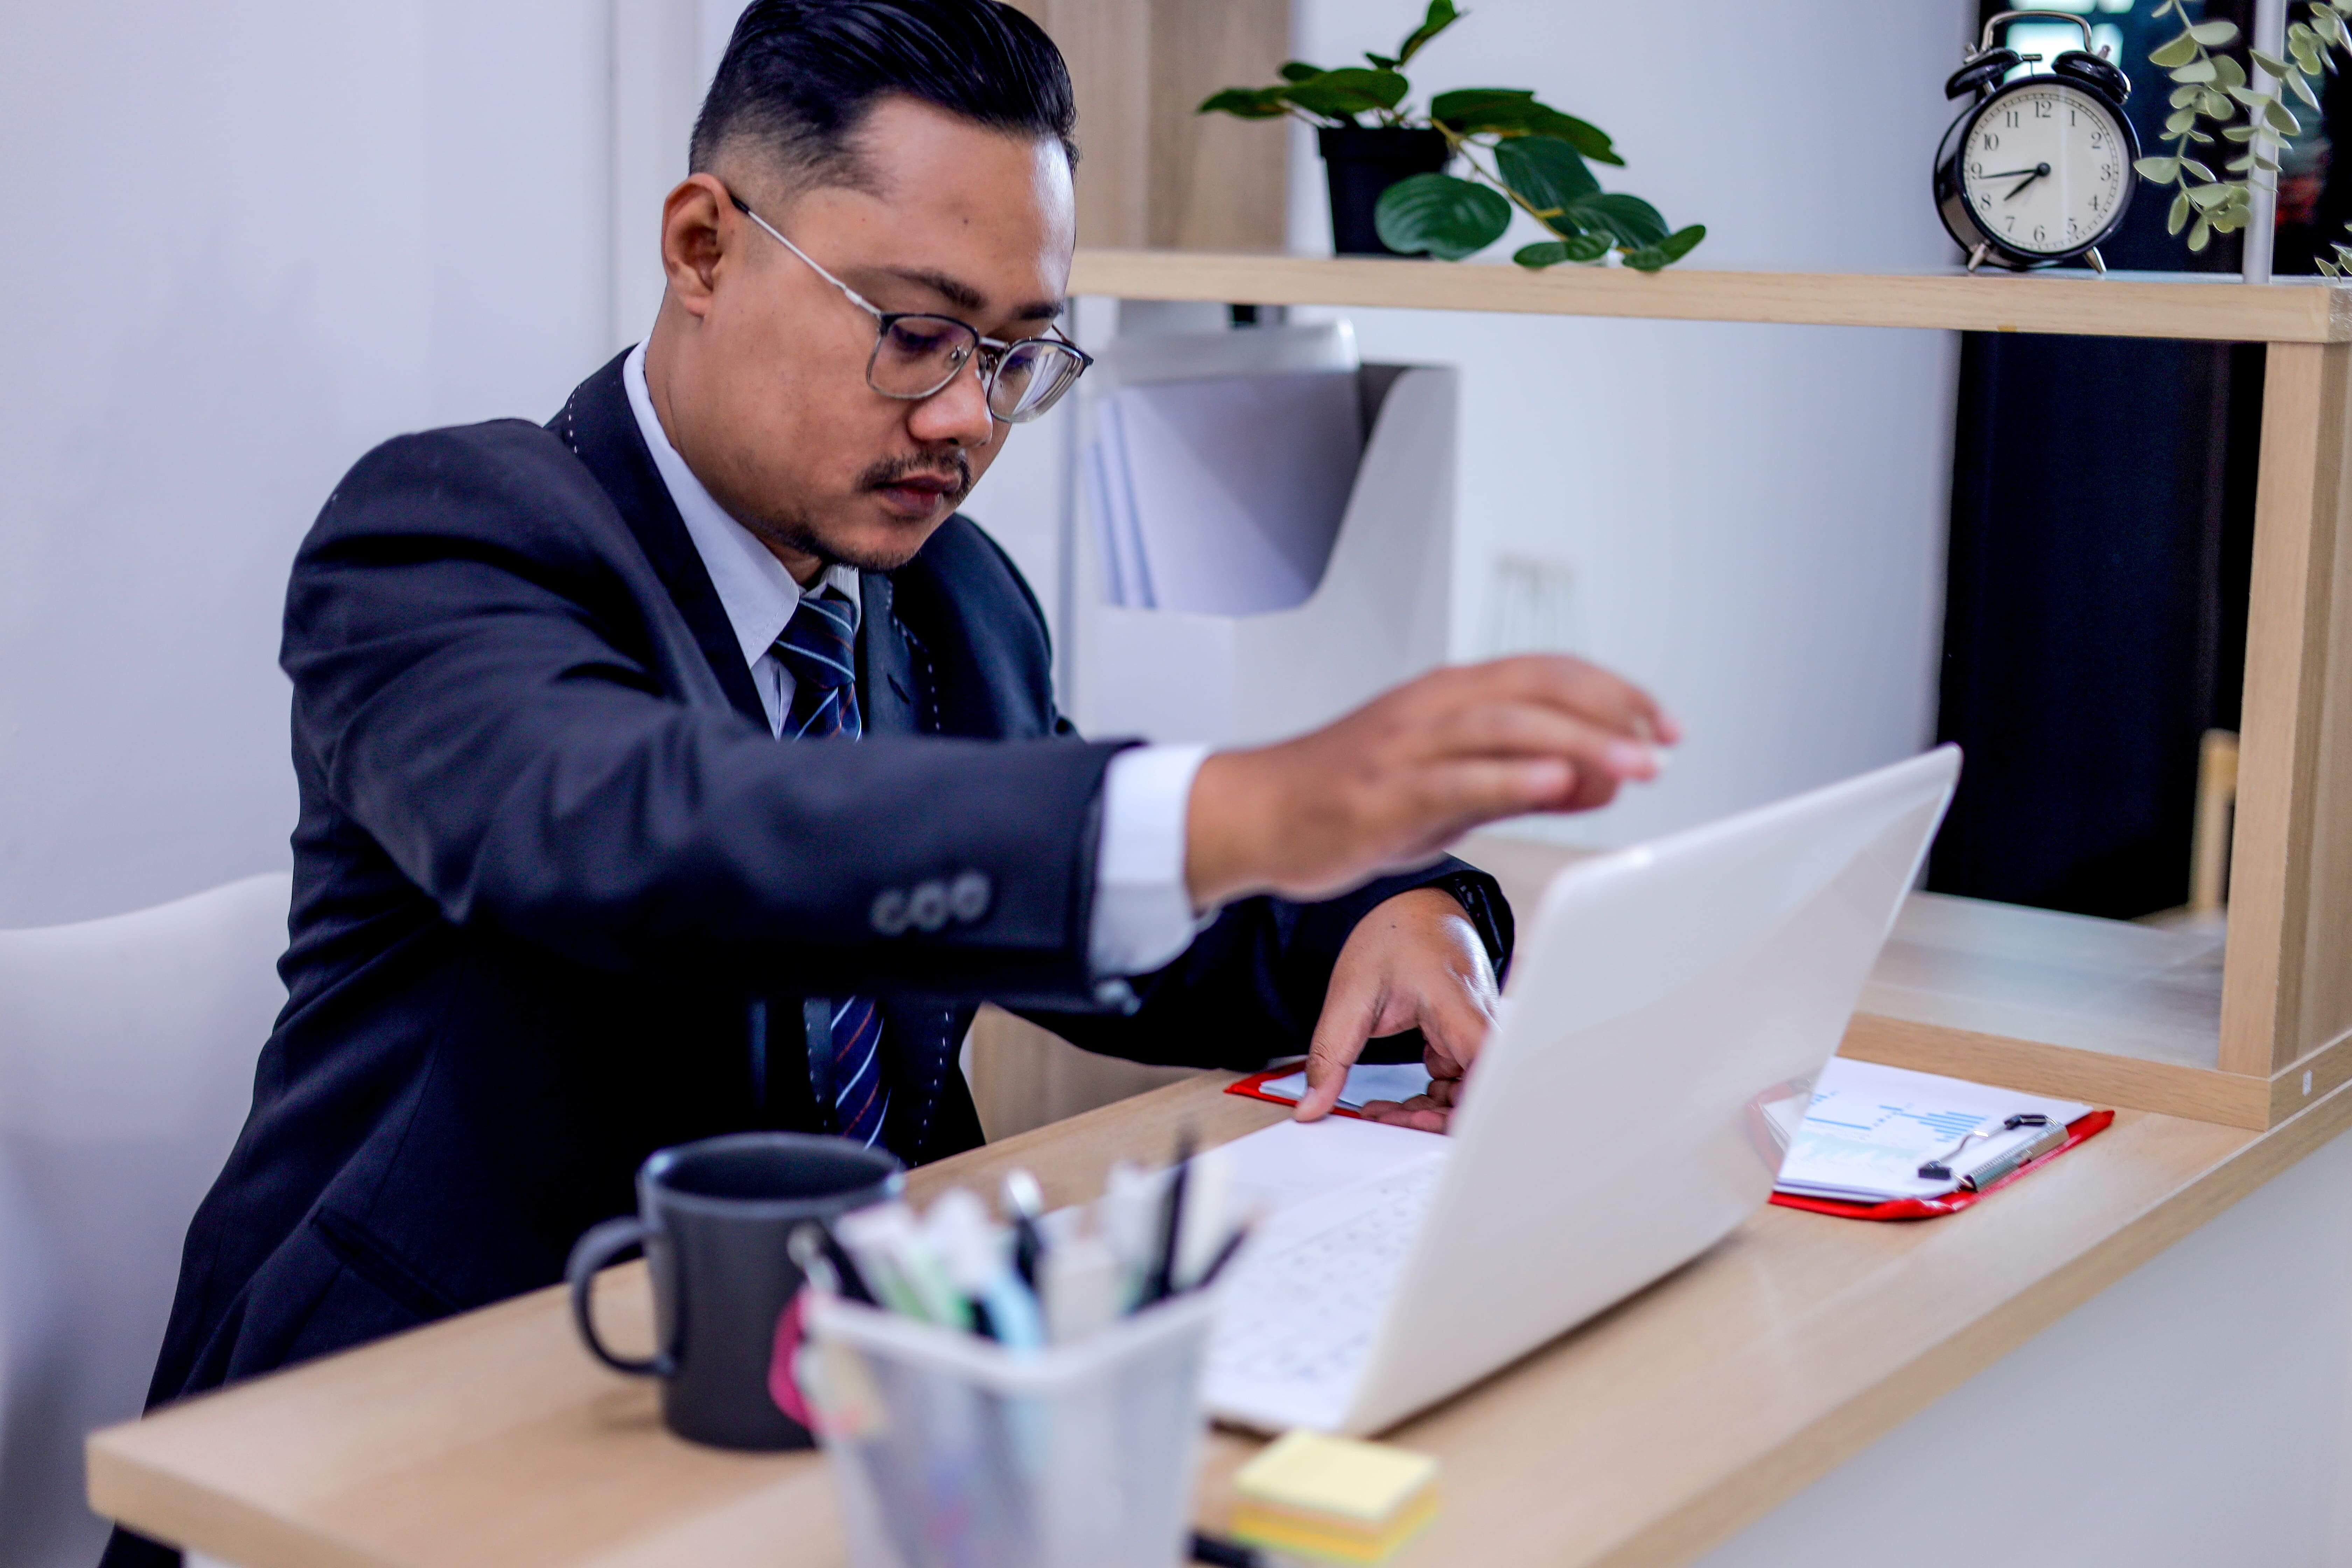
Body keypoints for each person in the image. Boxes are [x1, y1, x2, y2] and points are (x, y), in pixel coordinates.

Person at [106, 3, 1673, 1561]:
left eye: (1017, 354)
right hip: (411, 1440)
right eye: (915, 332)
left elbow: (1080, 909)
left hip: (845, 1420)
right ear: (705, 248)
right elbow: (637, 830)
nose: (964, 419)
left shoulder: (947, 593)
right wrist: (1240, 801)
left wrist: (1388, 916)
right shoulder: (452, 536)